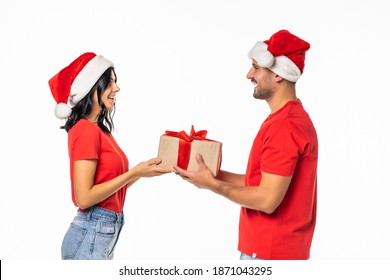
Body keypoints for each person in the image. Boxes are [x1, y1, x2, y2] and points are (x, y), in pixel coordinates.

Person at [173, 30, 318, 260]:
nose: (249, 74)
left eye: (256, 67)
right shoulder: (285, 119)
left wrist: (212, 185)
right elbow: (259, 183)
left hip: (270, 255)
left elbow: (267, 200)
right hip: (271, 251)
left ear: (278, 74)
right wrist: (212, 175)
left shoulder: (285, 126)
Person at [49, 52, 171, 260]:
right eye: (110, 82)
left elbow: (107, 188)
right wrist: (134, 172)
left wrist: (141, 173)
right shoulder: (85, 130)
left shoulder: (101, 131)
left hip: (100, 233)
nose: (117, 88)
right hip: (90, 233)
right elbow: (84, 198)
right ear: (91, 88)